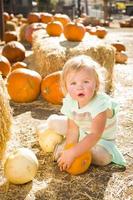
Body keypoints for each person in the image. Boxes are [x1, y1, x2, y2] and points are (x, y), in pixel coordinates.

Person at [45, 55, 126, 172]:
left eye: (86, 82)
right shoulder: (70, 101)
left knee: (103, 158)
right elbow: (73, 130)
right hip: (82, 131)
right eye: (73, 83)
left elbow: (95, 135)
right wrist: (70, 147)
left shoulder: (100, 104)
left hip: (101, 140)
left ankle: (77, 151)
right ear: (66, 87)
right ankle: (71, 147)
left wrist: (72, 153)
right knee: (53, 123)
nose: (80, 87)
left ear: (96, 84)